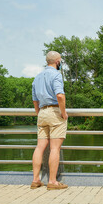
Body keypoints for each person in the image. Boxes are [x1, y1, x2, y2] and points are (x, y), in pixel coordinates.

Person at [30, 51, 68, 190]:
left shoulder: (38, 77)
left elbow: (35, 100)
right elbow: (60, 95)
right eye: (61, 61)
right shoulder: (56, 75)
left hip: (42, 113)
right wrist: (63, 113)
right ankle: (52, 182)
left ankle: (35, 180)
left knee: (39, 147)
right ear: (57, 62)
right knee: (54, 148)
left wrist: (39, 113)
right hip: (54, 111)